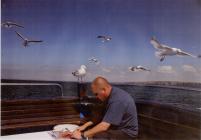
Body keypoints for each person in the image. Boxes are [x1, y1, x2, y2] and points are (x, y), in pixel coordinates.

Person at [62, 76, 138, 139]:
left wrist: (82, 135)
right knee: (91, 131)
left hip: (126, 132)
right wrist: (83, 127)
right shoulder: (110, 95)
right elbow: (100, 117)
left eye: (96, 94)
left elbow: (104, 126)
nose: (96, 97)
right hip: (115, 128)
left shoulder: (117, 100)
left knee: (97, 136)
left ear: (104, 90)